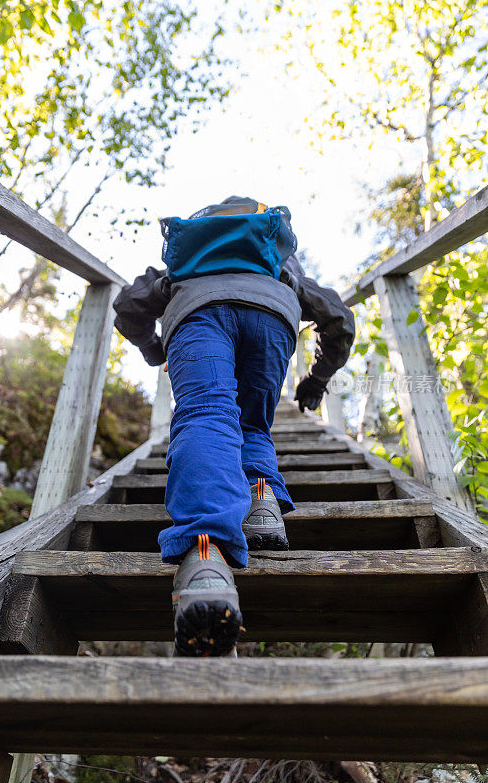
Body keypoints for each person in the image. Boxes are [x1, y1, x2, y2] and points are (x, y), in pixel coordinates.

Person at [113, 196, 355, 657]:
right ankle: (262, 504)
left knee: (206, 413)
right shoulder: (279, 262)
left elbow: (127, 306)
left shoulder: (191, 254)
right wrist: (316, 378)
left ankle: (205, 556)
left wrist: (155, 349)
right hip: (272, 320)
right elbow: (339, 319)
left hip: (197, 315)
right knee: (253, 426)